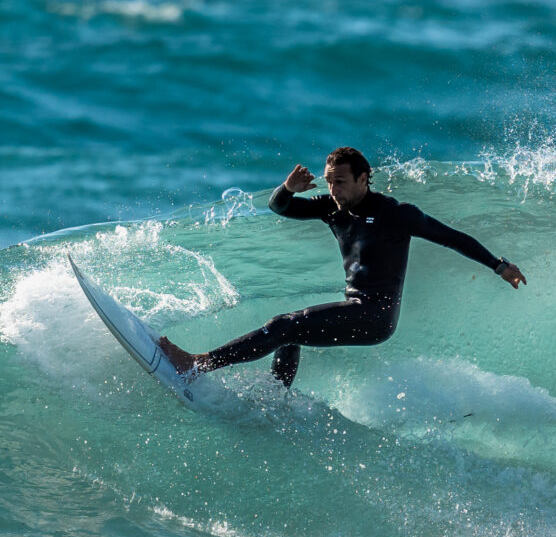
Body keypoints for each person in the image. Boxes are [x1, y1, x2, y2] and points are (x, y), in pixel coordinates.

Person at [159, 147, 526, 387]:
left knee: (283, 325)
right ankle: (273, 401)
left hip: (376, 315)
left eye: (341, 182)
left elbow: (452, 237)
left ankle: (197, 365)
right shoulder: (332, 208)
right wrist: (287, 188)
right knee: (290, 334)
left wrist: (498, 265)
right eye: (330, 181)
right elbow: (280, 208)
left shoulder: (396, 214)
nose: (333, 189)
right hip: (356, 307)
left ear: (364, 179)